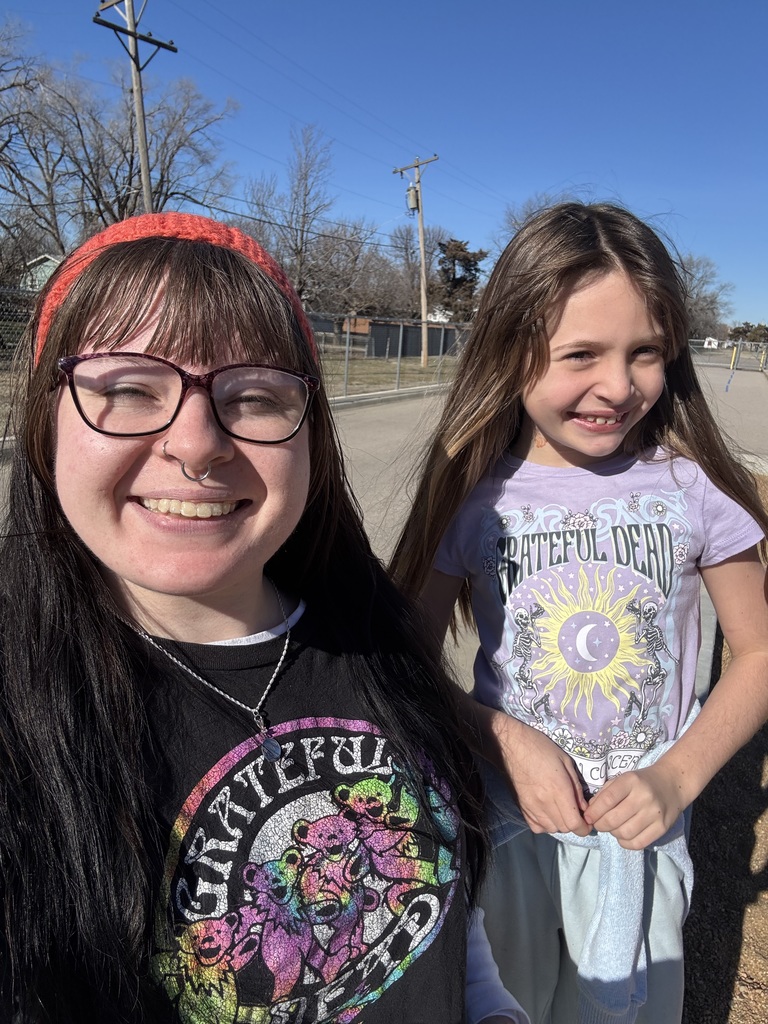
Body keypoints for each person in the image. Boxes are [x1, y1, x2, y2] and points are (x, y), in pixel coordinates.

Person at [0, 212, 528, 1023]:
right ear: (46, 420)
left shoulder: (377, 639)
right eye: (129, 389)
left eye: (252, 396)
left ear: (311, 437)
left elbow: (440, 922)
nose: (196, 444)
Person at [390, 202, 768, 1024]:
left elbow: (759, 653)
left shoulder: (697, 489)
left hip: (642, 841)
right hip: (509, 827)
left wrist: (677, 777)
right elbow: (402, 665)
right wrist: (503, 740)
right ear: (510, 350)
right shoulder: (470, 497)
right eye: (581, 354)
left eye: (646, 352)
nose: (619, 386)